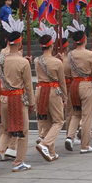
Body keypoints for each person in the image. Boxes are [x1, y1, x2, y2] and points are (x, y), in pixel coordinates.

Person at [0, 16, 35, 172]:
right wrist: (31, 103)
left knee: (7, 129)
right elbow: (28, 86)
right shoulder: (23, 62)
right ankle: (19, 162)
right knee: (22, 131)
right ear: (20, 43)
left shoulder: (1, 59)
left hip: (4, 98)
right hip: (18, 98)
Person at [63, 20, 92, 154]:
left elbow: (66, 70)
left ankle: (69, 136)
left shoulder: (70, 55)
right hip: (86, 84)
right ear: (84, 40)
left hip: (74, 85)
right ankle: (84, 145)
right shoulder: (91, 55)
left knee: (75, 113)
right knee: (87, 116)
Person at [32, 25, 65, 162]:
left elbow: (45, 61)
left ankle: (51, 152)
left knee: (46, 121)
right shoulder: (57, 62)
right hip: (53, 90)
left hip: (40, 90)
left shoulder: (36, 60)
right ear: (51, 46)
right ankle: (45, 144)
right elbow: (62, 82)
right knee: (58, 121)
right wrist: (65, 97)